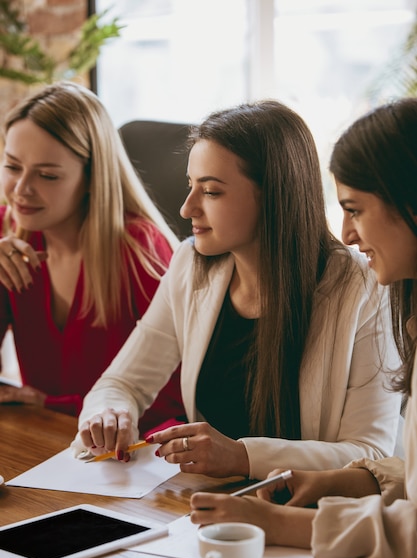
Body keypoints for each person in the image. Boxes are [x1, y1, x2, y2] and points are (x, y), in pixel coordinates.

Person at [74, 99, 401, 476]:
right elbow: (123, 383)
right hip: (207, 507)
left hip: (312, 516)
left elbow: (371, 454)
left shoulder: (363, 285)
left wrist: (243, 457)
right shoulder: (190, 265)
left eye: (211, 192)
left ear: (276, 194)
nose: (187, 208)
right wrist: (109, 412)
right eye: (190, 186)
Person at [189, 97, 417, 558]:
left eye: (355, 209)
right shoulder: (407, 307)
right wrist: (344, 483)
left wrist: (277, 524)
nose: (347, 234)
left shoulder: (358, 287)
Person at [0, 81, 185, 442]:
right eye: (12, 166)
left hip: (124, 455)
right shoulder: (9, 233)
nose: (22, 189)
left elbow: (174, 396)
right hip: (43, 440)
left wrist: (54, 404)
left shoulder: (138, 249)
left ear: (91, 177)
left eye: (47, 175)